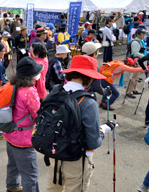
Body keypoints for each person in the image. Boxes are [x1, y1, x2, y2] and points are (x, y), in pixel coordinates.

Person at [46, 55, 115, 192]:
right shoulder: (88, 102)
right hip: (76, 159)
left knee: (53, 188)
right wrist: (103, 130)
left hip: (54, 153)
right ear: (89, 78)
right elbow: (93, 142)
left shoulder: (55, 92)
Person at [4, 57, 43, 192]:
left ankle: (12, 186)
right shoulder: (29, 91)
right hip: (24, 139)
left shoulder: (12, 85)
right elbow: (37, 114)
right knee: (30, 175)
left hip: (10, 134)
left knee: (13, 164)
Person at [126, 28, 146, 99]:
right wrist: (145, 57)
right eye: (142, 34)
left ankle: (134, 89)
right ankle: (129, 91)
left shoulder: (140, 41)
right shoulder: (135, 42)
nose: (143, 35)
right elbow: (135, 53)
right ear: (138, 34)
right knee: (133, 77)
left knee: (136, 77)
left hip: (138, 61)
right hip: (135, 62)